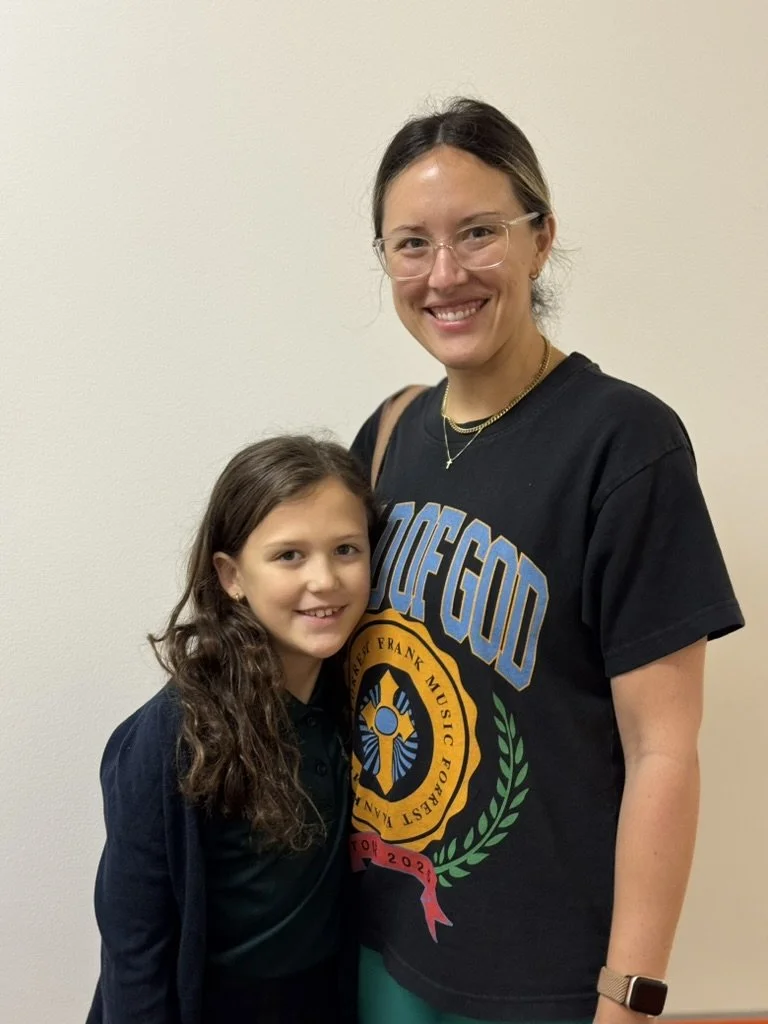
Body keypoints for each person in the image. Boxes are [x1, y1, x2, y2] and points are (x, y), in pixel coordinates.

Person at [348, 98, 744, 1024]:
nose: (444, 274)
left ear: (542, 237)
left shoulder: (624, 442)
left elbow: (663, 750)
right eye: (411, 244)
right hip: (377, 935)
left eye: (478, 232)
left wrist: (630, 997)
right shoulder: (390, 430)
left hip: (541, 979)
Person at [87, 436, 375, 1024]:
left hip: (324, 999)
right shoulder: (172, 737)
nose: (324, 580)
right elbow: (134, 950)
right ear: (231, 575)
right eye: (289, 556)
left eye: (346, 549)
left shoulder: (360, 697)